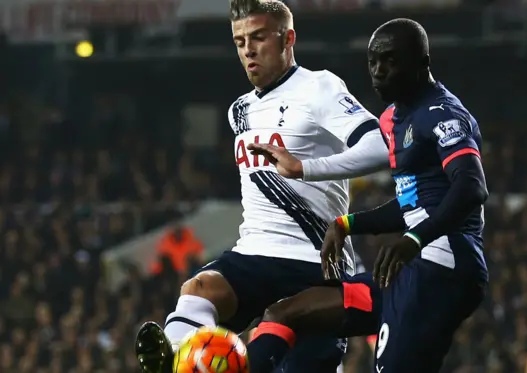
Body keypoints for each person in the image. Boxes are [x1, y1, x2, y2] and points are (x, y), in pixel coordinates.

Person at [134, 1, 389, 373]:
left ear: (288, 38)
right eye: (239, 42)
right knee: (198, 291)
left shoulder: (320, 87)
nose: (248, 50)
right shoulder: (239, 110)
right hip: (255, 253)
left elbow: (380, 147)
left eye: (258, 38)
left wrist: (304, 168)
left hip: (315, 263)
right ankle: (176, 361)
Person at [242, 18, 488, 373]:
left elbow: (471, 187)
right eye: (373, 62)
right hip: (409, 268)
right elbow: (412, 205)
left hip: (444, 267)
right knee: (286, 313)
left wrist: (414, 239)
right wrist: (347, 223)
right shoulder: (390, 119)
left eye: (389, 60)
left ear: (422, 62)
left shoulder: (443, 114)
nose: (378, 71)